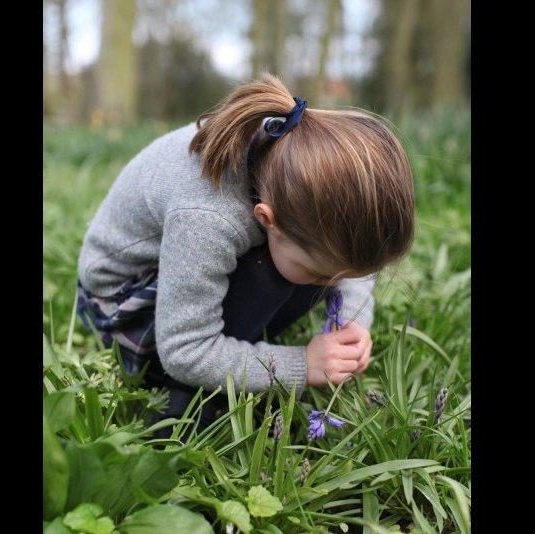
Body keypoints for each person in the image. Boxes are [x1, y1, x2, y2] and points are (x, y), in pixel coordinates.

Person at [76, 73, 415, 432]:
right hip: (121, 304)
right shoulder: (209, 218)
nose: (333, 285)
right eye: (324, 274)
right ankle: (185, 402)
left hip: (191, 263)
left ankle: (243, 343)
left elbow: (350, 260)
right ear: (267, 219)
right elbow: (184, 350)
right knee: (270, 275)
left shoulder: (293, 172)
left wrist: (350, 321)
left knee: (298, 270)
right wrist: (303, 365)